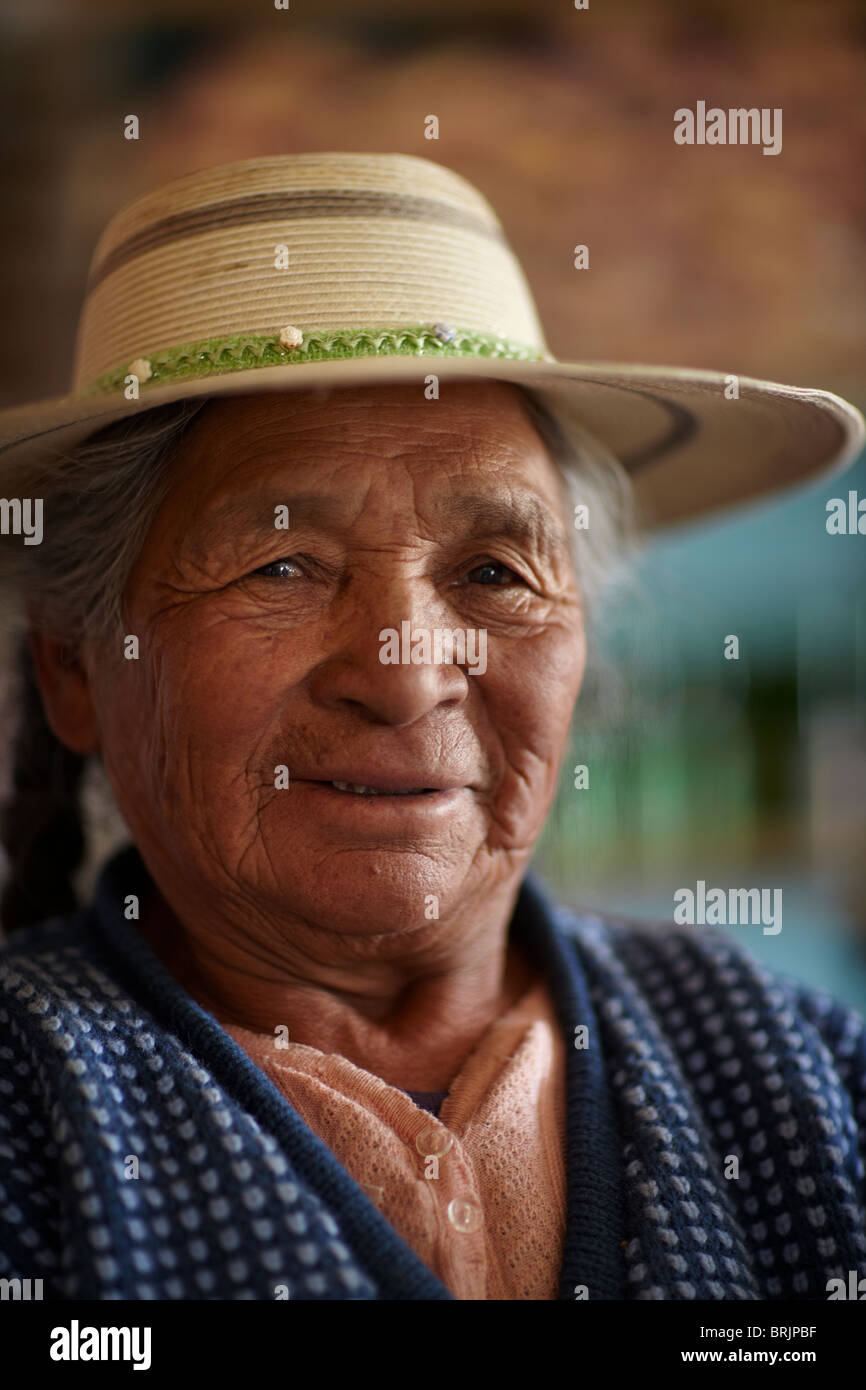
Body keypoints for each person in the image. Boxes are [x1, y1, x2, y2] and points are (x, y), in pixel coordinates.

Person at [0, 151, 864, 1301]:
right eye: (283, 564)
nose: (405, 679)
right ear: (74, 666)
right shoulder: (28, 1113)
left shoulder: (805, 1070)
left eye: (494, 570)